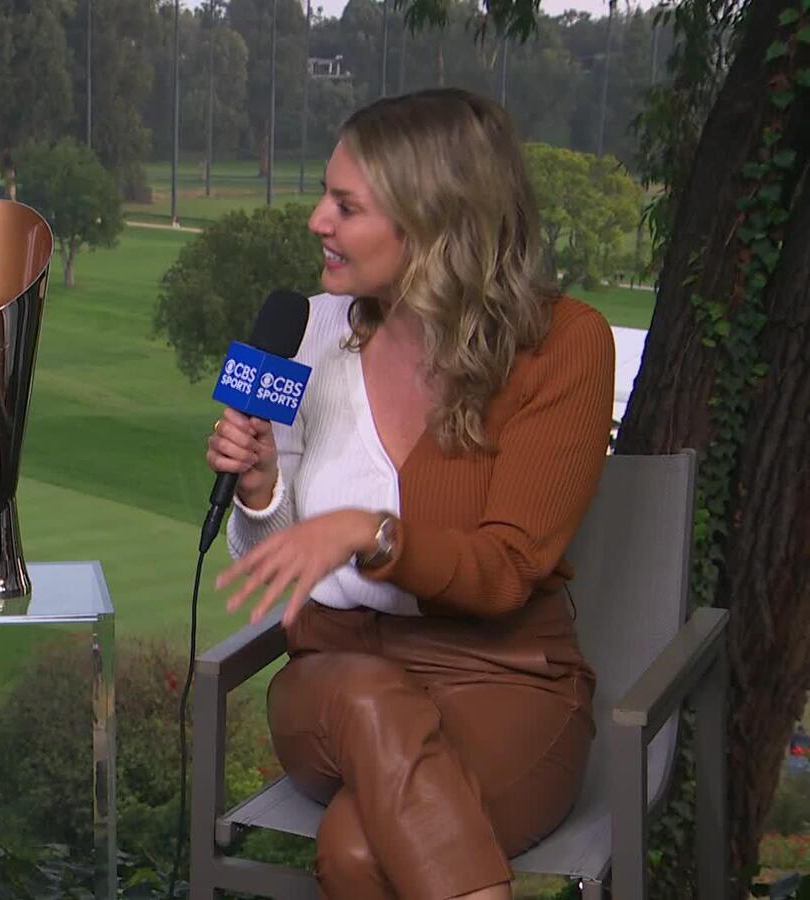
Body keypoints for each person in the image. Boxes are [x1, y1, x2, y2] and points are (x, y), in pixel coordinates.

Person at [206, 88, 613, 900]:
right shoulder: (312, 330)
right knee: (364, 693)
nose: (318, 219)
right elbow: (278, 563)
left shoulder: (566, 344)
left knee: (359, 852)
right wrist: (259, 490)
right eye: (326, 194)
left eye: (347, 205)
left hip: (503, 681)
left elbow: (504, 570)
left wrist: (370, 531)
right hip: (336, 677)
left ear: (433, 221)